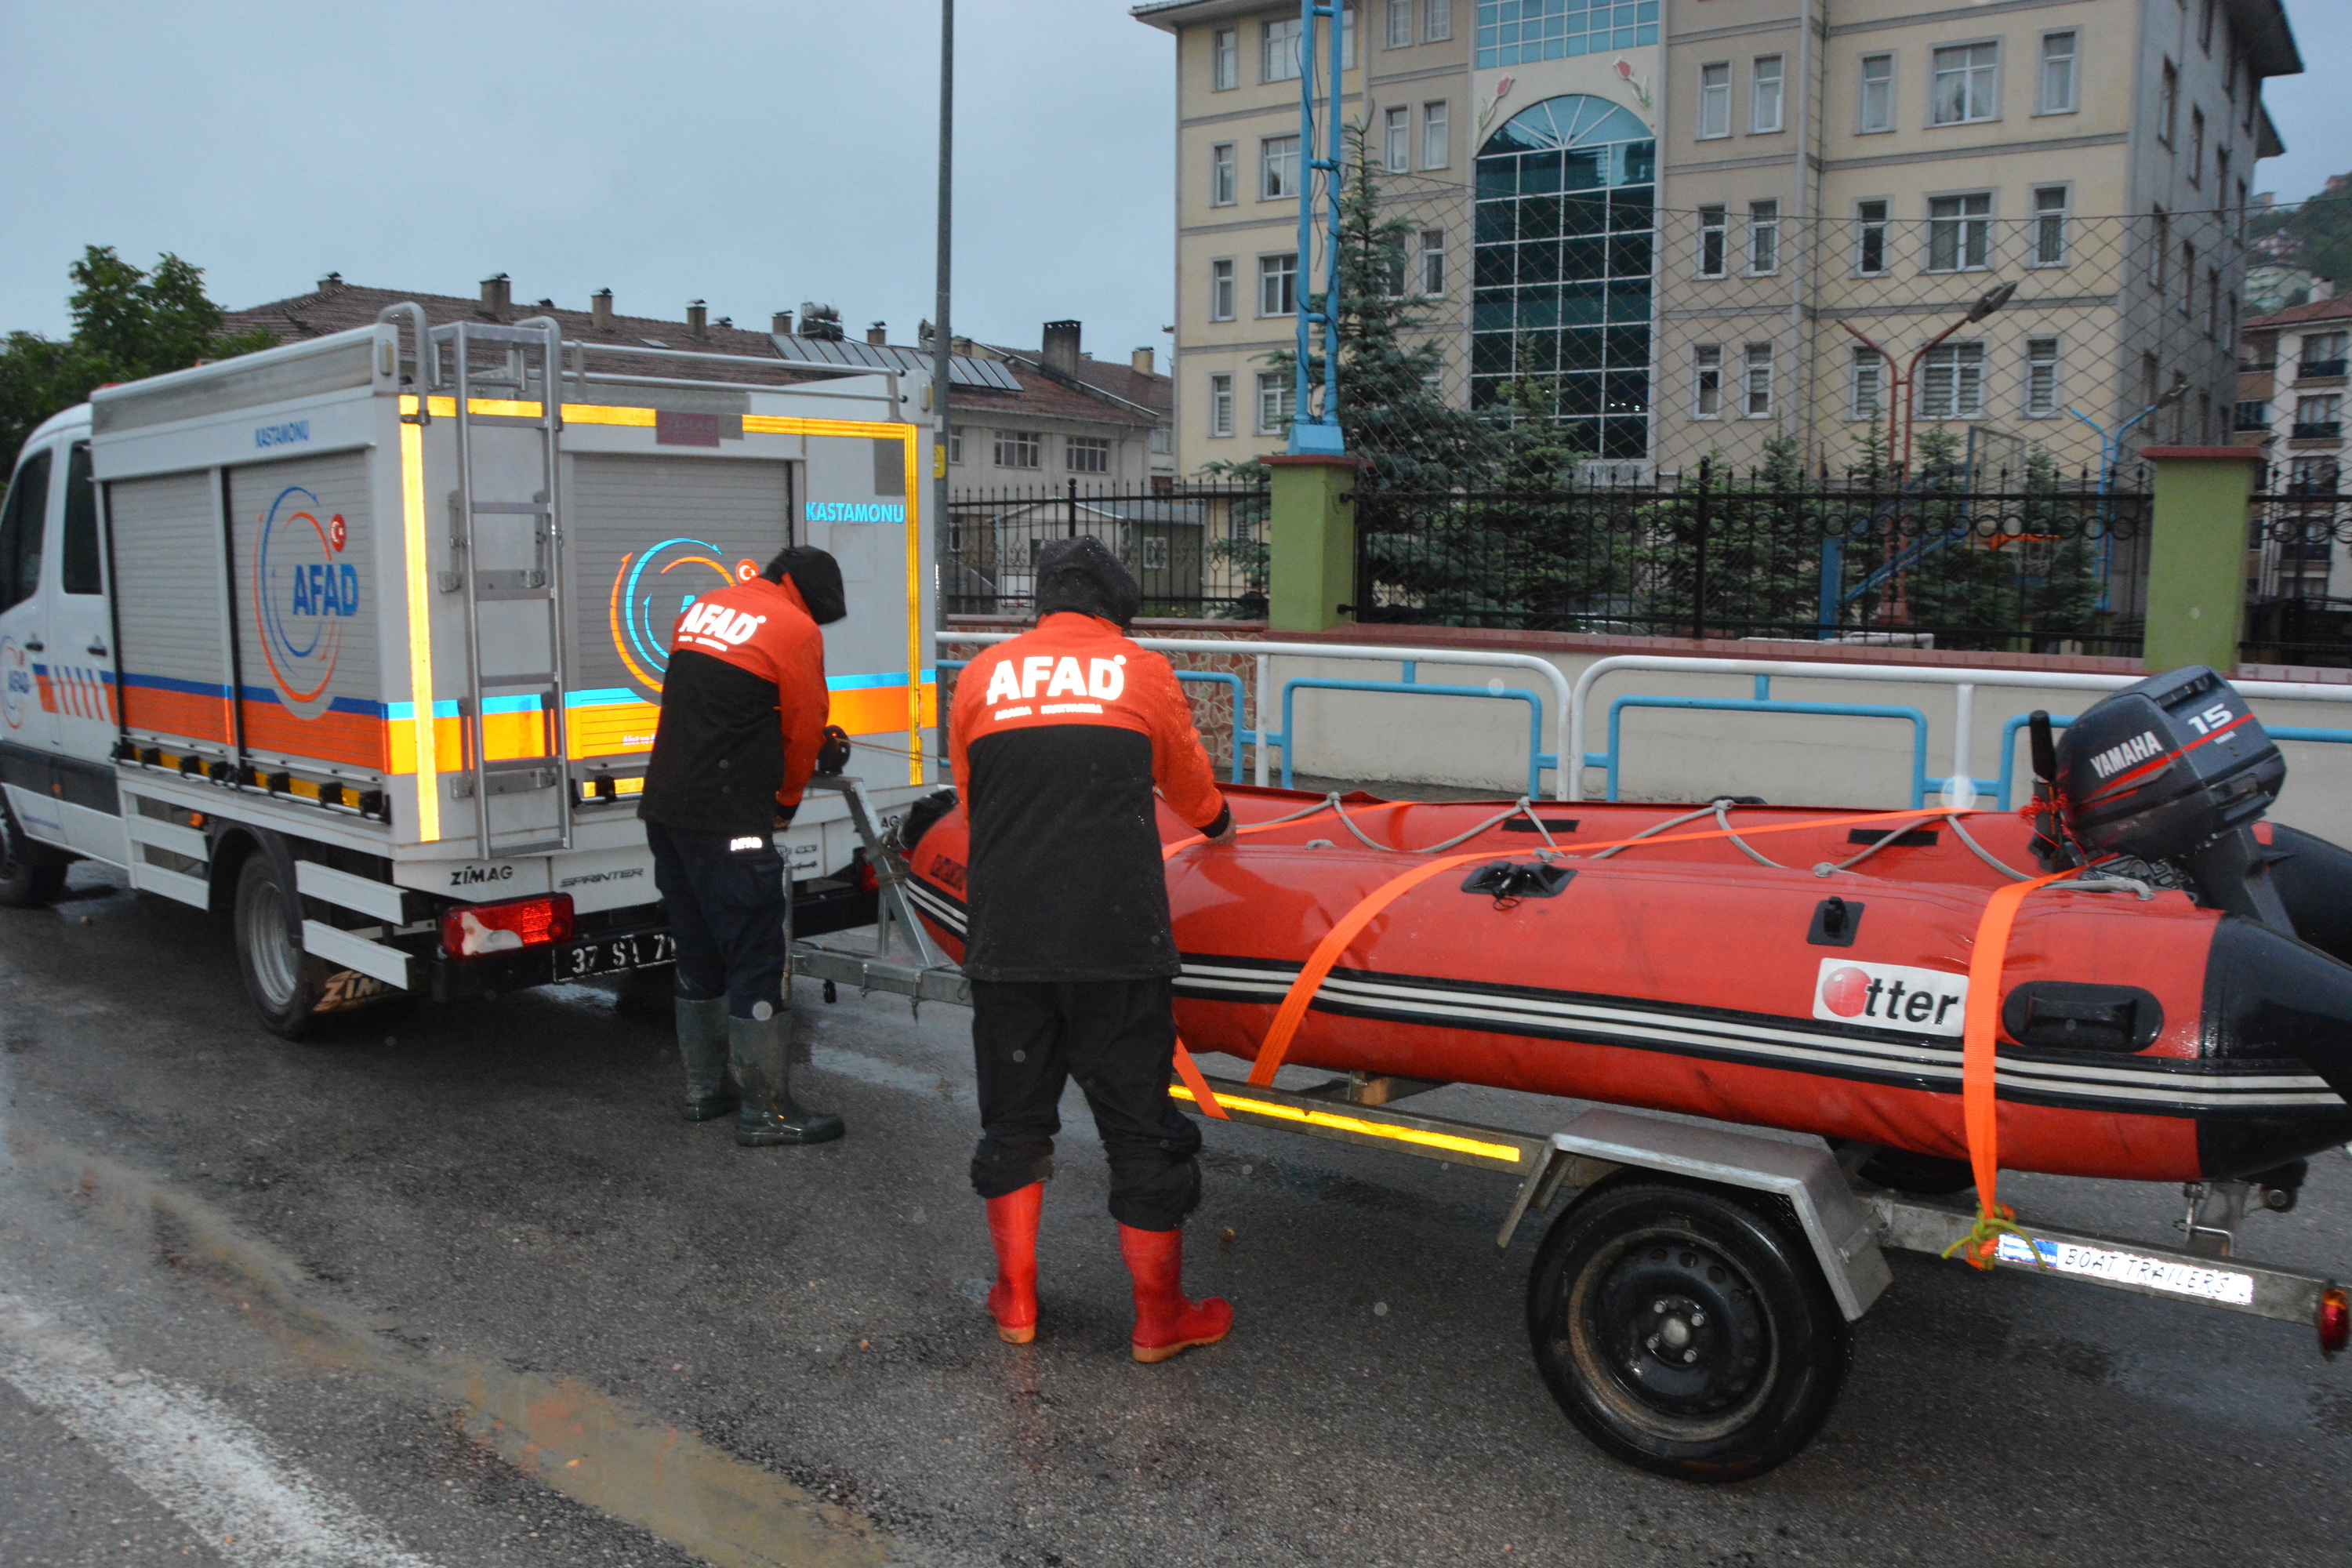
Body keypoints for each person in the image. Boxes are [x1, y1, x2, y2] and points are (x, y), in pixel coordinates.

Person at [948, 536, 1239, 1363]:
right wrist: (1219, 825)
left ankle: (1016, 1299)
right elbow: (1188, 786)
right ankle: (1158, 1317)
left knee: (1013, 1118)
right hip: (1117, 937)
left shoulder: (981, 674)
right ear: (1116, 608)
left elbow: (973, 803)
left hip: (1010, 935)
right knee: (1138, 1125)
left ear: (1042, 605)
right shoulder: (1139, 671)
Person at [638, 546, 847, 1147]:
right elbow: (805, 728)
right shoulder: (794, 626)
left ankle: (705, 1092)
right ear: (808, 594)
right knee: (755, 950)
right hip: (729, 814)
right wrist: (785, 801)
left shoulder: (704, 607)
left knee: (698, 946)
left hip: (668, 808)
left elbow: (712, 706)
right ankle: (767, 1111)